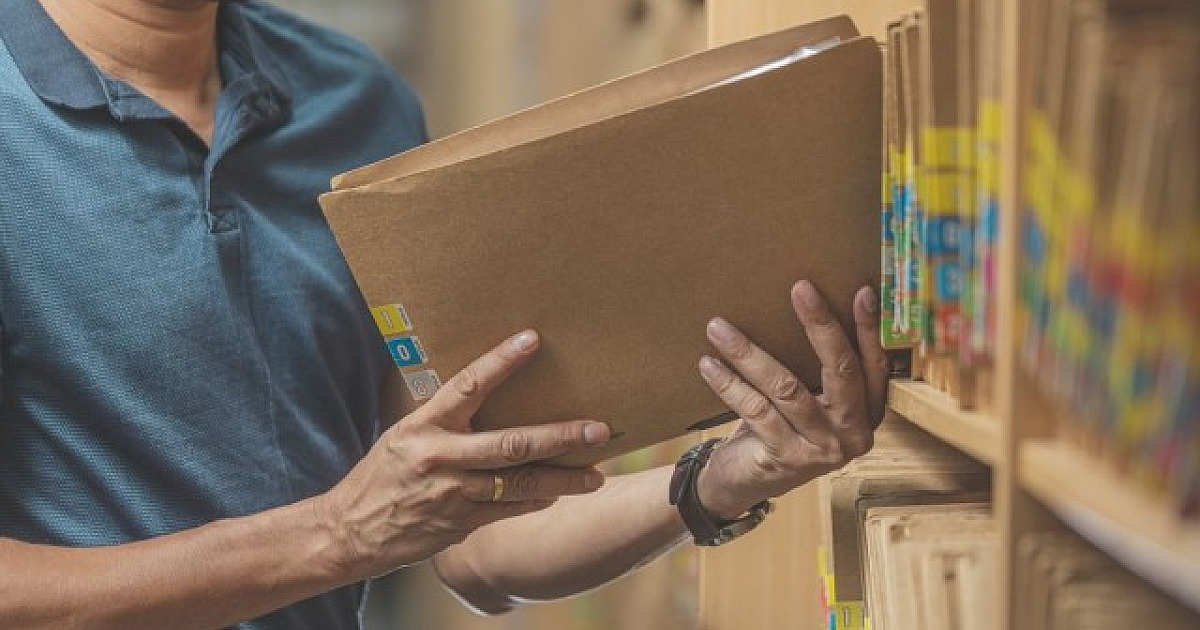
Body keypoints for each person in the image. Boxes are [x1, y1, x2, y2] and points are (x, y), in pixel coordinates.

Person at [0, 0, 888, 629]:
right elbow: (365, 524)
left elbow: (469, 536)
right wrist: (337, 534)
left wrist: (722, 479)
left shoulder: (355, 102)